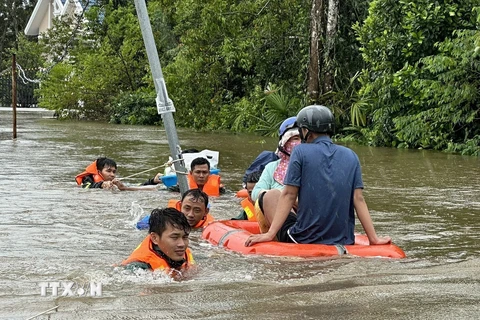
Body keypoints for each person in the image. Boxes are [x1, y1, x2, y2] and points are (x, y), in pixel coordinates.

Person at [245, 105, 391, 247]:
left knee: (271, 196)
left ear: (306, 131)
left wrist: (270, 234)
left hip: (305, 239)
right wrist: (374, 239)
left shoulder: (300, 152)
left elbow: (289, 195)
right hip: (344, 239)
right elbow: (358, 199)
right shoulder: (351, 155)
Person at [250, 117, 301, 233]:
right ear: (285, 142)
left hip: (306, 216)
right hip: (278, 215)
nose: (299, 143)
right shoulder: (272, 167)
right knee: (271, 195)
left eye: (302, 139)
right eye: (295, 138)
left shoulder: (313, 167)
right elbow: (255, 192)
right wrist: (282, 197)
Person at [122, 208, 195, 278]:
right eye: (174, 237)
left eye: (185, 237)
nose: (182, 244)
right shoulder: (139, 268)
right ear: (154, 238)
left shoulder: (179, 250)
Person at [136, 188, 214, 229]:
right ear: (180, 206)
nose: (190, 215)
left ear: (205, 212)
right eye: (187, 208)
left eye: (197, 210)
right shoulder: (165, 219)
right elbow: (139, 226)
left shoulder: (210, 226)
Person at [75, 157, 162, 190]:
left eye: (114, 172)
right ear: (98, 172)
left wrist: (153, 181)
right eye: (108, 171)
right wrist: (101, 184)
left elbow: (137, 185)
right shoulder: (88, 179)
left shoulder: (115, 183)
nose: (112, 175)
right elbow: (85, 187)